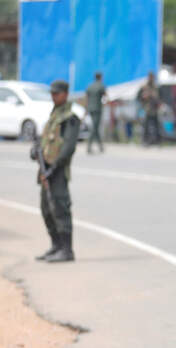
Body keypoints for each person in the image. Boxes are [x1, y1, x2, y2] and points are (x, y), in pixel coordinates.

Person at [31, 80, 80, 262]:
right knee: (46, 208)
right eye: (52, 93)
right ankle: (56, 245)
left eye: (56, 93)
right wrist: (36, 151)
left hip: (57, 170)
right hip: (46, 170)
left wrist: (54, 167)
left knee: (60, 208)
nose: (53, 96)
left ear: (65, 94)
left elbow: (68, 147)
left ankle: (67, 250)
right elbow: (46, 141)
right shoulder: (54, 116)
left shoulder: (70, 118)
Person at [85, 72, 106, 153]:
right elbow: (105, 96)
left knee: (96, 127)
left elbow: (86, 97)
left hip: (90, 108)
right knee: (94, 128)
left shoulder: (90, 86)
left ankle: (100, 146)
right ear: (100, 77)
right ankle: (89, 146)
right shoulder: (101, 85)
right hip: (97, 109)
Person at [138, 71, 160, 145]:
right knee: (146, 126)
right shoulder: (144, 86)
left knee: (156, 126)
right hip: (147, 109)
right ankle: (145, 140)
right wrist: (143, 97)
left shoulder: (155, 86)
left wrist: (154, 97)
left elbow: (158, 97)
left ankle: (156, 141)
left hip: (154, 109)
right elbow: (139, 97)